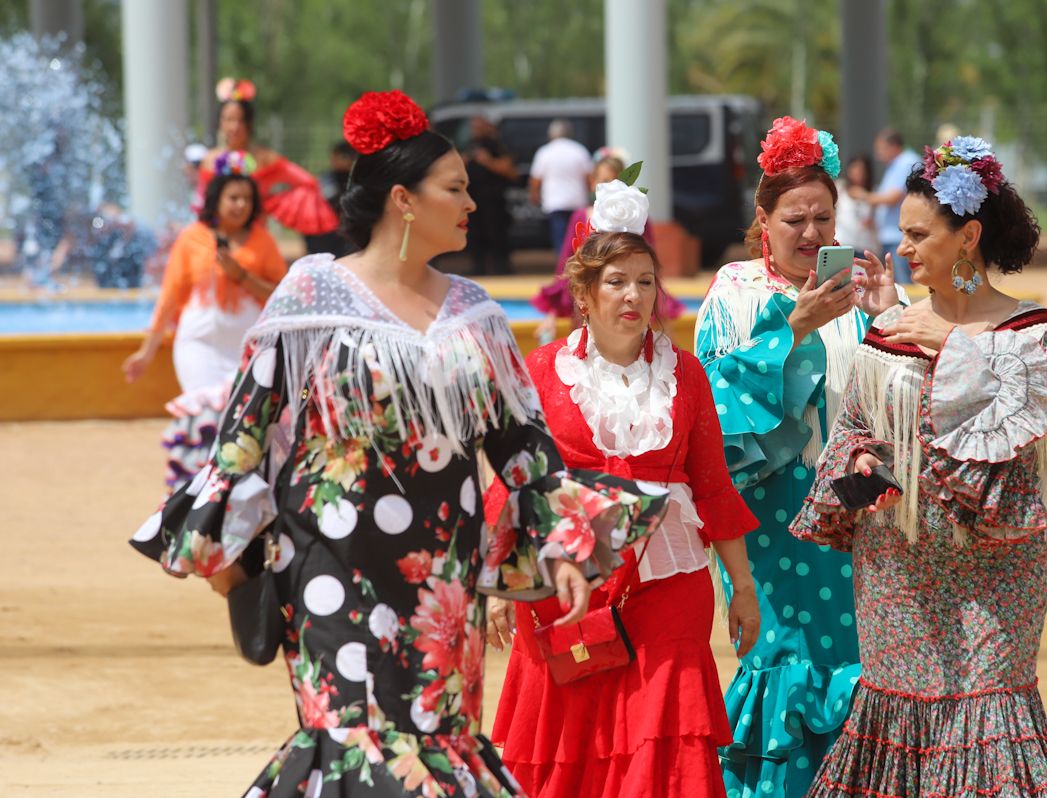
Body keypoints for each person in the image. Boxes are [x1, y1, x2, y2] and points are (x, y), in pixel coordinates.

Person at [128, 89, 669, 797]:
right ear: (403, 201)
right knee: (349, 738)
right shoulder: (310, 296)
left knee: (436, 739)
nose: (473, 202)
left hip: (443, 579)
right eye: (456, 188)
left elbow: (524, 453)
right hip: (327, 565)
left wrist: (566, 550)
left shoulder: (474, 314)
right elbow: (242, 434)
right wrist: (215, 542)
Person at [792, 136, 1047, 797]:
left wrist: (950, 346)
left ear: (968, 235)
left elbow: (1016, 431)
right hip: (897, 559)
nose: (903, 245)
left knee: (992, 698)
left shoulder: (1030, 332)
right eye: (902, 231)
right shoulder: (892, 325)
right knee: (896, 698)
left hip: (996, 563)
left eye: (919, 233)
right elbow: (856, 423)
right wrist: (860, 457)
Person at [487, 170, 760, 798]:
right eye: (616, 282)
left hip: (668, 586)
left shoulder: (686, 375)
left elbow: (714, 487)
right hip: (565, 583)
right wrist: (502, 588)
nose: (633, 295)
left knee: (666, 745)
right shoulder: (539, 371)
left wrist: (742, 588)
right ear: (584, 294)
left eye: (645, 281)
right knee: (568, 749)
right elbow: (515, 482)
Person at [694, 117, 902, 797]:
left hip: (857, 503)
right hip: (772, 509)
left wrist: (887, 319)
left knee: (861, 662)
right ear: (763, 219)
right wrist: (794, 329)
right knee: (784, 658)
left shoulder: (859, 292)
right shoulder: (733, 293)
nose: (811, 233)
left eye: (824, 216)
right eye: (794, 219)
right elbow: (714, 408)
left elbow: (898, 411)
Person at [123, 157, 287, 490]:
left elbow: (283, 295)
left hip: (246, 347)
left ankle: (234, 493)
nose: (240, 205)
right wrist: (146, 351)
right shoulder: (191, 238)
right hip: (196, 344)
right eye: (233, 198)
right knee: (204, 413)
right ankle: (191, 489)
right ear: (216, 200)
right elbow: (169, 297)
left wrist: (242, 277)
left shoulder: (262, 241)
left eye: (247, 199)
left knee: (240, 419)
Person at [532, 153, 684, 340]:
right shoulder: (581, 216)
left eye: (615, 181)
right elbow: (568, 262)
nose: (610, 187)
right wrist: (552, 314)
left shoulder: (636, 216)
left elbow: (650, 264)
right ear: (592, 182)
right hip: (593, 299)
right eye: (604, 181)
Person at [196, 77, 338, 239]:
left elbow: (307, 182)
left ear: (249, 123)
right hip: (218, 240)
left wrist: (274, 204)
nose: (235, 126)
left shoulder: (264, 158)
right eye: (228, 119)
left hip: (256, 240)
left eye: (241, 120)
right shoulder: (209, 160)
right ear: (220, 123)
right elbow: (202, 203)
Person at [849, 128, 921, 283]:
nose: (878, 155)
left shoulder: (906, 162)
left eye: (881, 149)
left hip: (899, 237)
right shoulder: (897, 165)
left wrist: (863, 195)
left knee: (904, 287)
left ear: (893, 146)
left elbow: (892, 197)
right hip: (893, 237)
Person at [529, 118, 593, 255]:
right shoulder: (579, 150)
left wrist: (534, 195)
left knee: (561, 240)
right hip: (577, 201)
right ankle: (578, 265)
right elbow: (589, 178)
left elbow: (535, 179)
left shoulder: (544, 152)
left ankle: (564, 266)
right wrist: (591, 196)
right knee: (578, 238)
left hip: (555, 202)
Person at [465, 115, 519, 275]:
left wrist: (487, 161)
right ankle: (478, 268)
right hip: (473, 199)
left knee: (497, 235)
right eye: (473, 127)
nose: (476, 130)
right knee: (475, 235)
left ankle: (502, 268)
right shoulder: (470, 146)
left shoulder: (497, 146)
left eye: (479, 126)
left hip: (493, 200)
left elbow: (511, 172)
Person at [302, 139, 357, 258]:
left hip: (346, 235)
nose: (333, 160)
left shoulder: (357, 181)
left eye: (336, 157)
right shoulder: (327, 179)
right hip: (325, 234)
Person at [835, 154, 878, 258]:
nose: (858, 173)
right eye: (854, 168)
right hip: (842, 243)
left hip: (864, 246)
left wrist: (865, 195)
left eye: (862, 170)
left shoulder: (874, 192)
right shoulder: (839, 187)